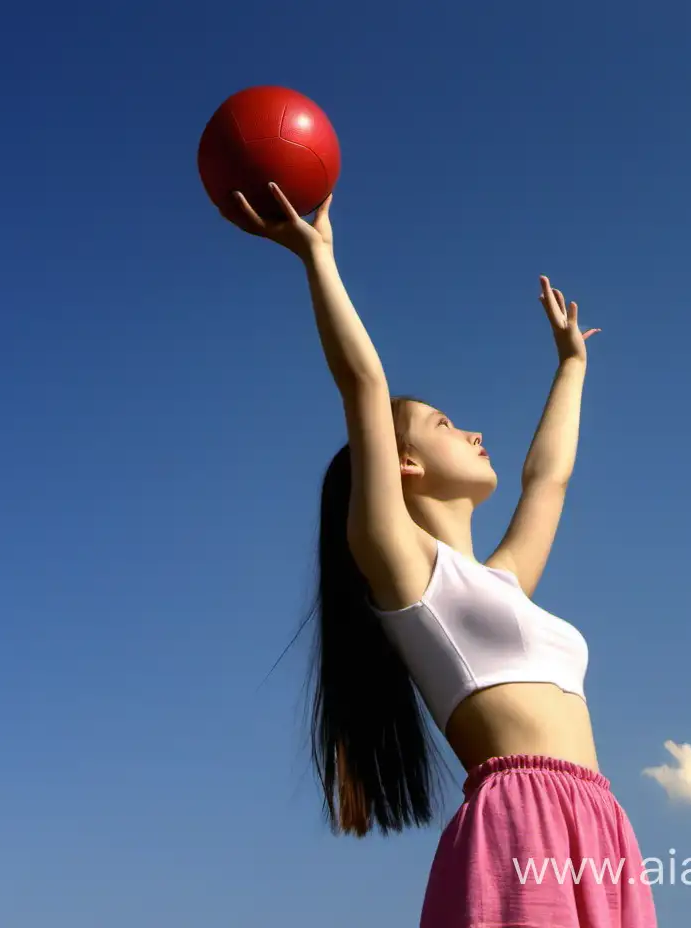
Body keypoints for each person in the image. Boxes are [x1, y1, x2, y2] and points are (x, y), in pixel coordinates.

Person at [235, 183, 657, 928]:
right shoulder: (405, 571)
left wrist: (571, 369)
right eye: (442, 422)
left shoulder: (501, 582)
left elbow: (548, 479)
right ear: (401, 464)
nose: (470, 432)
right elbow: (365, 384)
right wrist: (317, 258)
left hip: (599, 824)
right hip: (519, 816)